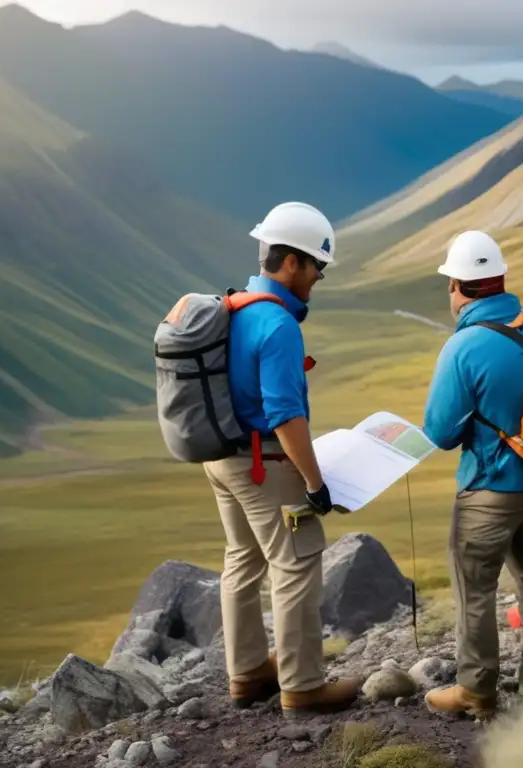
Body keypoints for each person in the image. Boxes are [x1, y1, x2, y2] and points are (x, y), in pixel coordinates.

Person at [202, 201, 361, 717]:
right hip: (263, 465)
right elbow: (286, 415)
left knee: (242, 560)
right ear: (291, 261)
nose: (319, 277)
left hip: (223, 459)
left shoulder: (233, 307)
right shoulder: (278, 325)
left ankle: (247, 674)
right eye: (318, 265)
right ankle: (302, 686)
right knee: (295, 565)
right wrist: (315, 483)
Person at [421, 230, 523, 718]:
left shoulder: (463, 347)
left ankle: (476, 690)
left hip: (489, 488)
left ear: (459, 286)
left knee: (475, 587)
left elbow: (440, 432)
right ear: (499, 279)